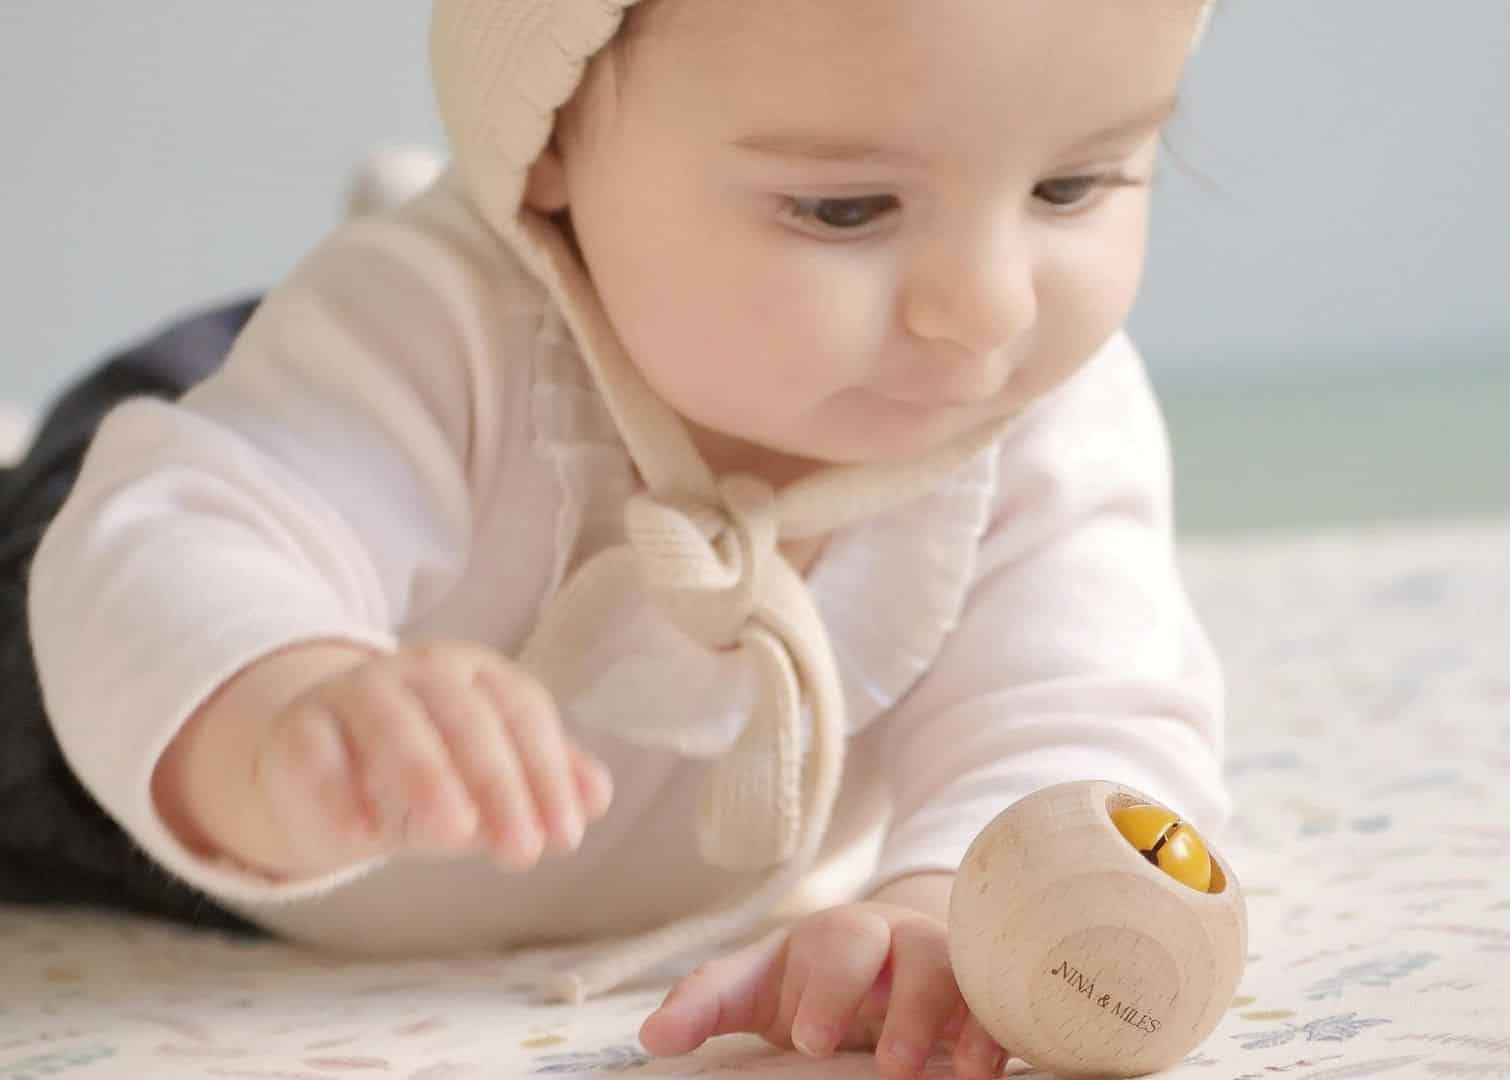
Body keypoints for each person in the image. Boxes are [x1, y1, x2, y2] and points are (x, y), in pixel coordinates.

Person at [7, 2, 1229, 1078]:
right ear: (545, 143)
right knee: (123, 530)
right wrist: (286, 702)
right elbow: (163, 545)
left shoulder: (1045, 417)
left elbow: (1086, 709)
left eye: (1072, 187)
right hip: (114, 708)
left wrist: (950, 910)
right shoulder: (436, 326)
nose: (986, 307)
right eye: (847, 207)